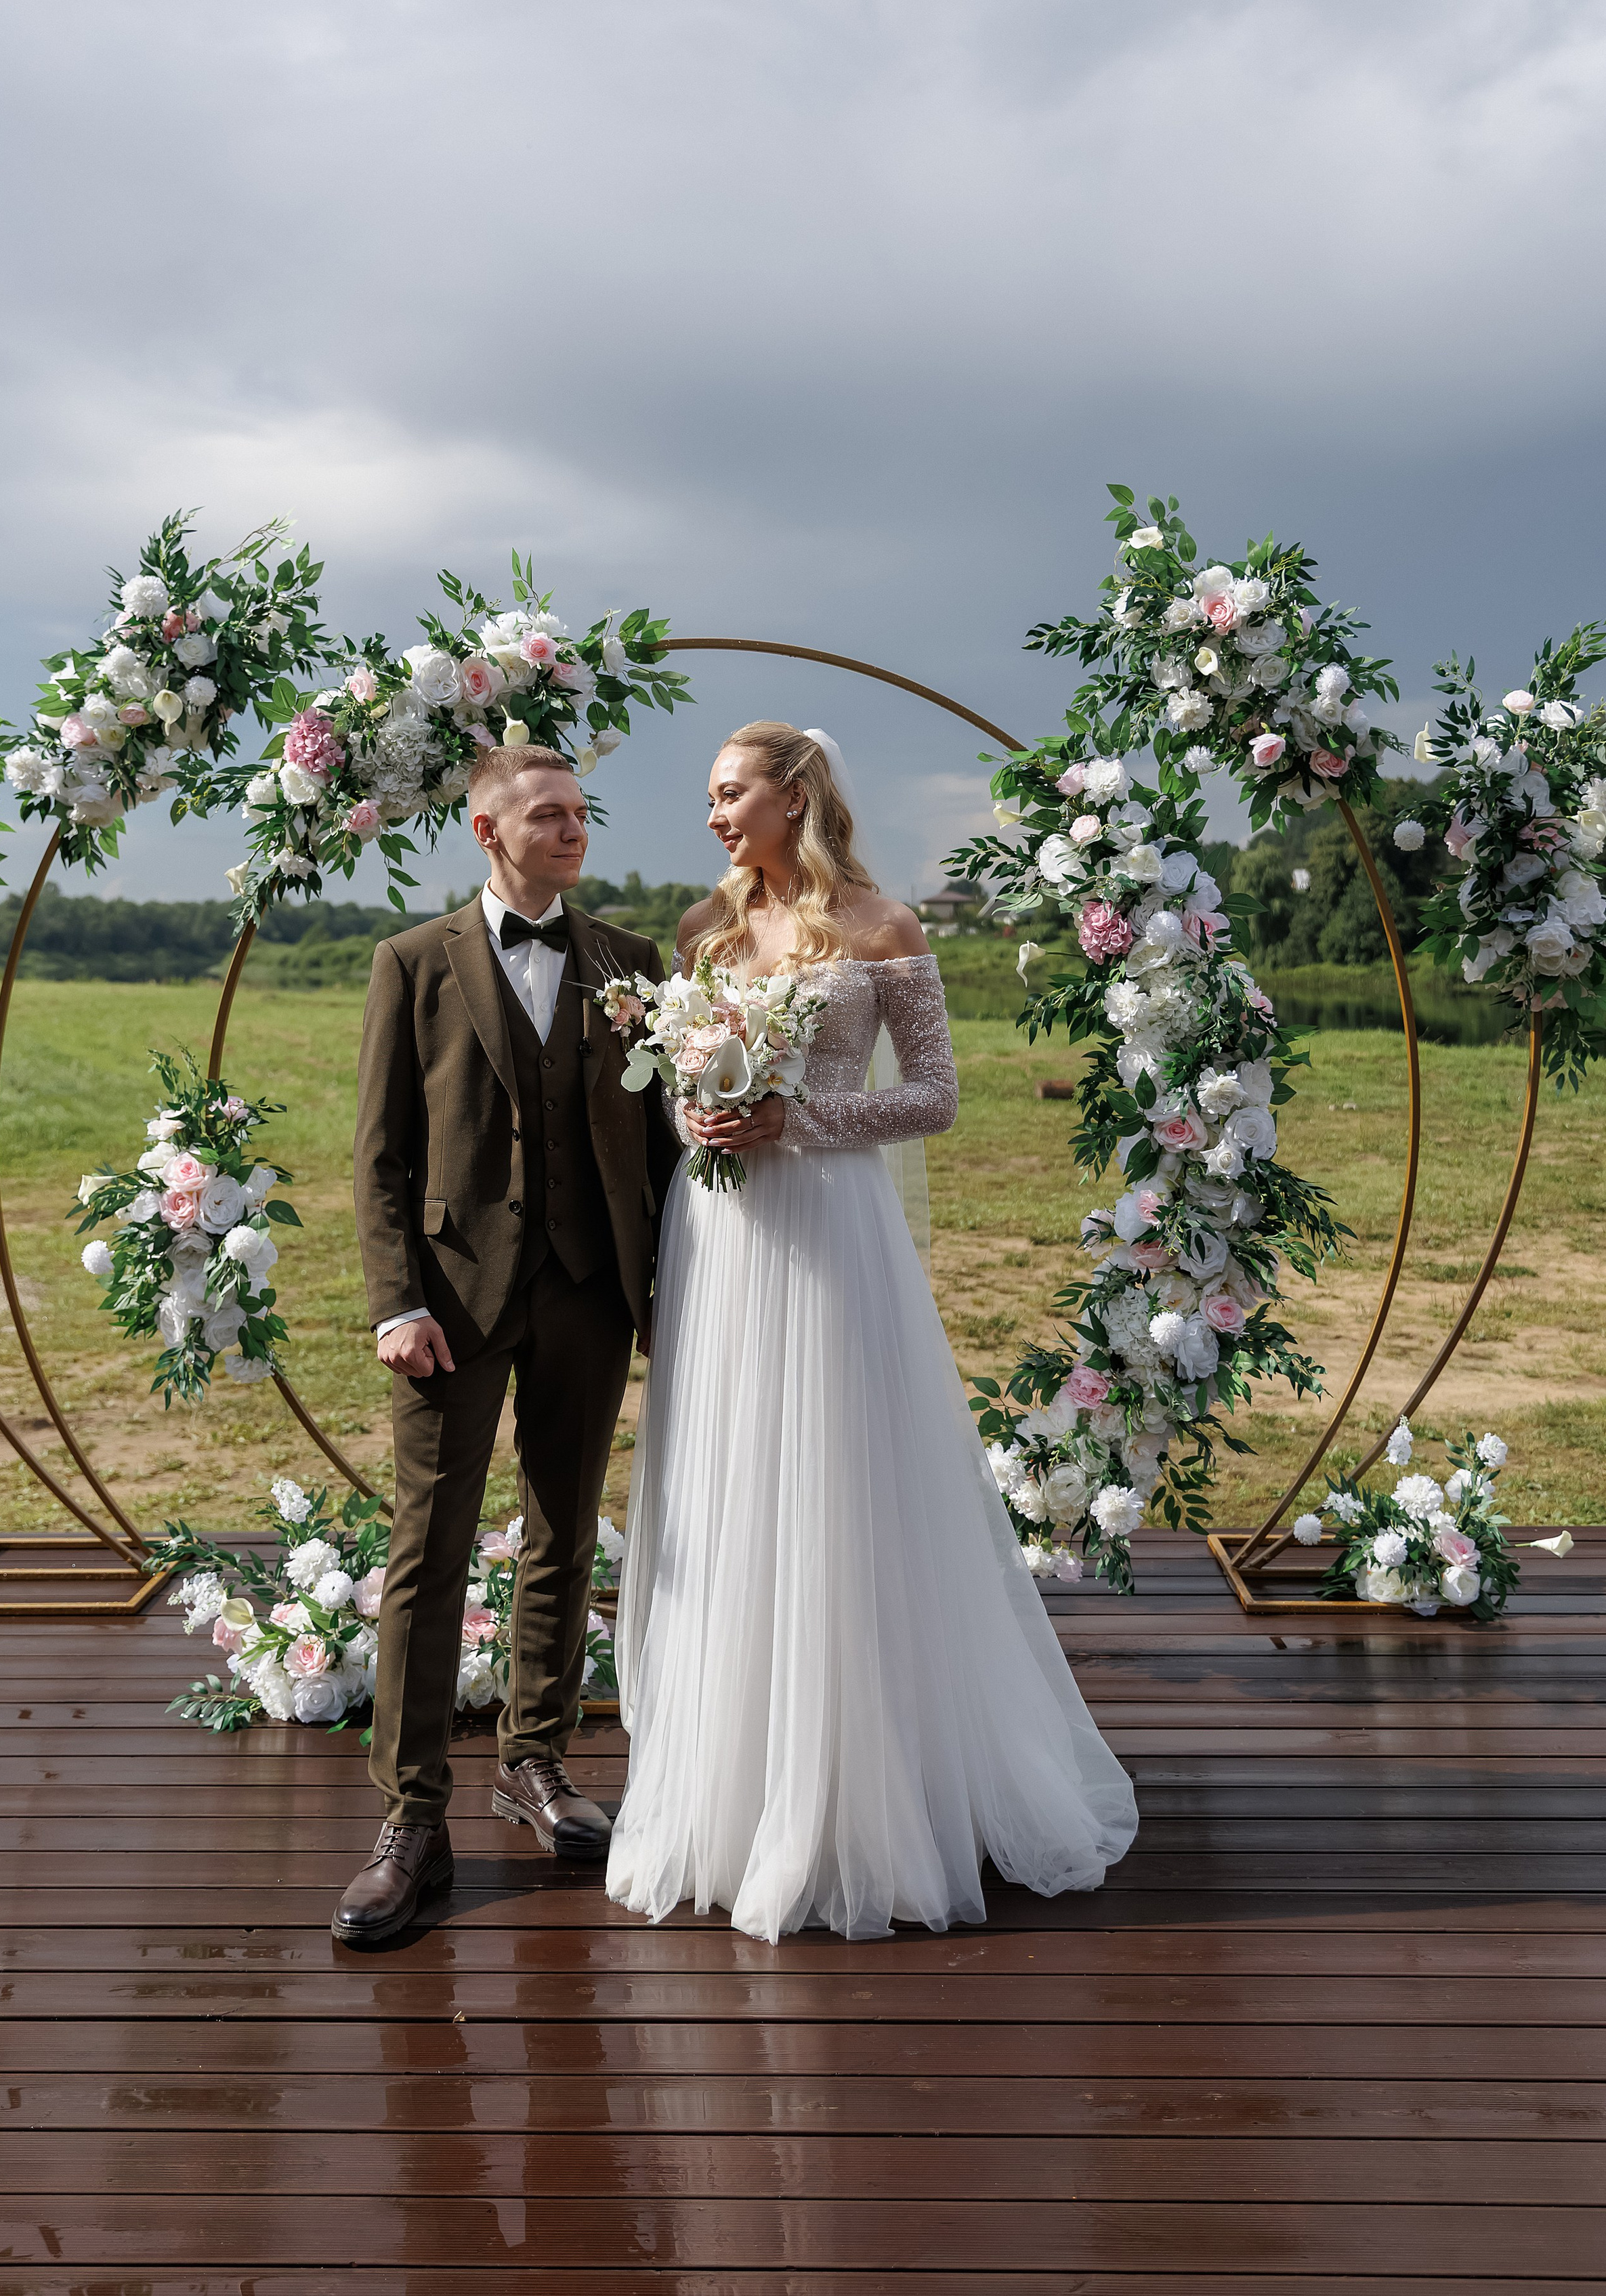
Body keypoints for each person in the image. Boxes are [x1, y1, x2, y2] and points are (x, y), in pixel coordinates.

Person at [606, 721, 1137, 1942]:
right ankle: (728, 1790)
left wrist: (798, 1117)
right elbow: (683, 1091)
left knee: (840, 1474)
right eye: (709, 796)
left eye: (731, 792)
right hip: (727, 1237)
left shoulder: (885, 929)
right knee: (729, 1475)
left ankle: (862, 1793)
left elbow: (937, 1095)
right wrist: (707, 1113)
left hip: (837, 1227)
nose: (714, 814)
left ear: (796, 794)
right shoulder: (705, 933)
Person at [333, 742, 681, 1944]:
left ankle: (534, 1759)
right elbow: (380, 1156)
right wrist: (394, 1303)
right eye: (548, 814)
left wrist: (670, 1290)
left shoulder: (631, 965)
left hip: (589, 1293)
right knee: (426, 1548)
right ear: (488, 831)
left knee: (565, 1532)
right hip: (451, 1303)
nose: (572, 830)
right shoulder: (413, 964)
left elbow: (668, 1150)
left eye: (581, 812)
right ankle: (409, 1816)